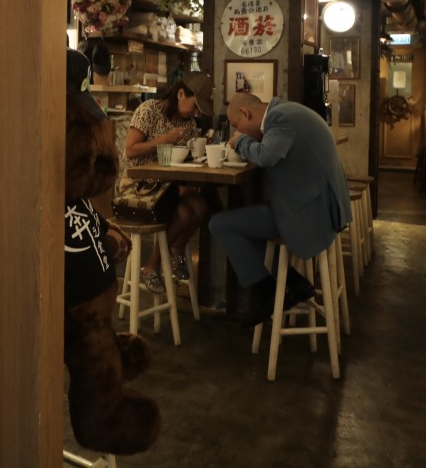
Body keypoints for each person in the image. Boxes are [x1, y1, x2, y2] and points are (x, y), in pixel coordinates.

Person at [209, 94, 352, 327]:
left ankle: (270, 292)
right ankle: (294, 283)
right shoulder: (287, 110)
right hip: (317, 206)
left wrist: (240, 142)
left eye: (236, 126)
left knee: (221, 224)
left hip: (312, 214)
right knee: (245, 230)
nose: (236, 131)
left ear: (246, 114)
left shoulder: (280, 118)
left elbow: (266, 156)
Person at [119, 72, 214, 294]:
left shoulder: (188, 121)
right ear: (180, 93)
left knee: (201, 206)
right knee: (184, 212)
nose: (197, 112)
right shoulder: (149, 110)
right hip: (138, 186)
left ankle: (178, 247)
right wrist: (163, 140)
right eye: (196, 105)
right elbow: (130, 150)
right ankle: (152, 265)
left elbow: (184, 157)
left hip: (167, 186)